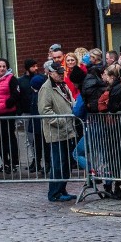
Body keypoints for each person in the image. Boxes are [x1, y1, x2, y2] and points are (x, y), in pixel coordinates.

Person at [37, 61, 77, 202]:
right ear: (50, 73)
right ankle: (54, 192)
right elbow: (44, 110)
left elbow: (71, 102)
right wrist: (61, 121)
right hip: (56, 132)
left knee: (66, 163)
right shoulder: (46, 88)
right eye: (58, 73)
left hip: (67, 130)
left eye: (62, 72)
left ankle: (62, 189)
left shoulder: (63, 85)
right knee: (58, 163)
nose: (61, 75)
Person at [0, 58, 21, 172]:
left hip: (7, 113)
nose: (1, 69)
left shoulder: (11, 79)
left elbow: (16, 94)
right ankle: (5, 162)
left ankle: (14, 163)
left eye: (4, 66)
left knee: (9, 138)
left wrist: (7, 104)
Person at [19, 59, 44, 172]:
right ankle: (34, 159)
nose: (36, 68)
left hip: (38, 112)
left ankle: (39, 160)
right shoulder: (22, 81)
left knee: (39, 138)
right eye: (33, 66)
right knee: (30, 139)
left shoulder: (40, 79)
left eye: (36, 66)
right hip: (27, 112)